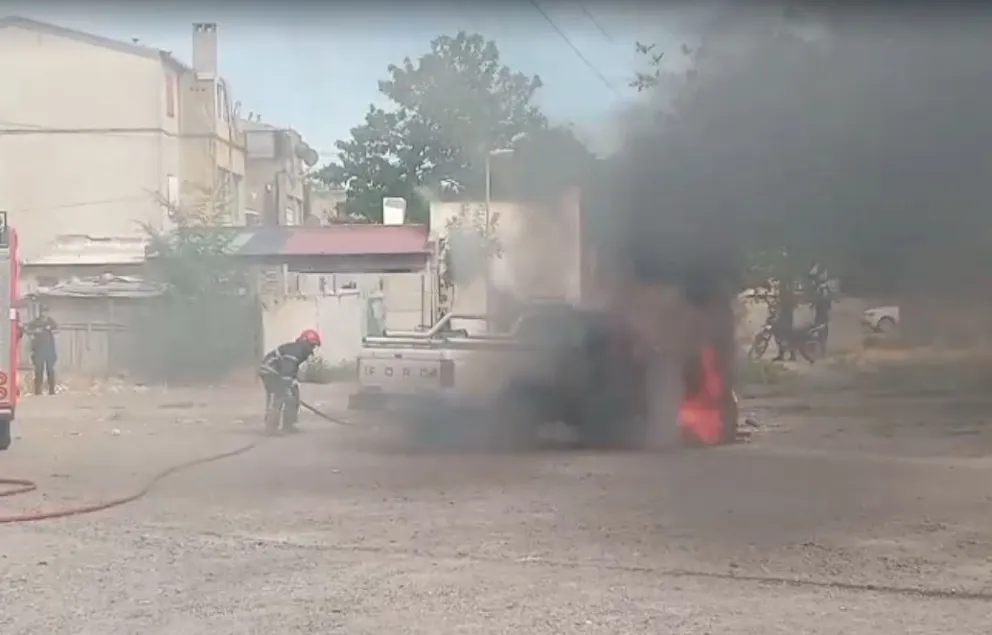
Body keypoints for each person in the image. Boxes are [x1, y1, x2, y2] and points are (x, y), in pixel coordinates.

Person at [258, 329, 321, 434]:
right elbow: (287, 368)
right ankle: (271, 427)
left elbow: (290, 370)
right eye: (312, 345)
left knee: (293, 396)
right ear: (305, 342)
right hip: (269, 371)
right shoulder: (295, 350)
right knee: (279, 395)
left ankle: (288, 426)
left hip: (279, 373)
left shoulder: (299, 351)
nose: (312, 349)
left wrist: (291, 383)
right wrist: (288, 383)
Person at [24, 304, 59, 396]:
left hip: (49, 349)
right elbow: (27, 330)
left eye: (46, 311)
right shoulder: (36, 322)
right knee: (39, 369)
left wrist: (50, 329)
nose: (45, 313)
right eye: (43, 311)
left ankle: (52, 390)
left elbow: (57, 330)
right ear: (40, 312)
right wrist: (36, 331)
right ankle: (37, 391)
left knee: (50, 369)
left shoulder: (50, 321)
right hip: (38, 349)